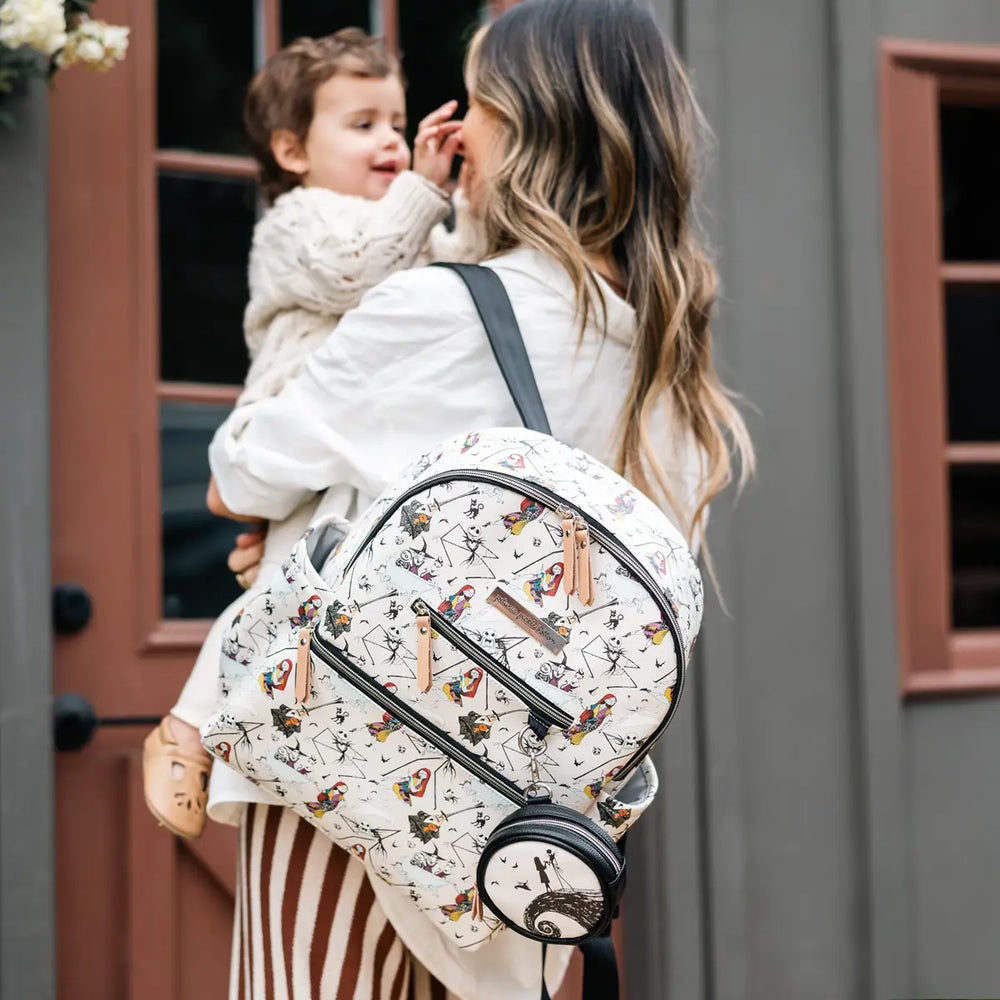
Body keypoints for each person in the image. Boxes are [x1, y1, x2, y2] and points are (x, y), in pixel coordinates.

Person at [207, 1, 753, 998]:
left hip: (351, 786)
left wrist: (290, 522)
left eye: (481, 104)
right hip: (529, 840)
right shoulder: (671, 365)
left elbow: (238, 470)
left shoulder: (439, 309)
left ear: (524, 134)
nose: (462, 132)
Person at [142, 28, 485, 845]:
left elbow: (468, 273)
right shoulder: (298, 221)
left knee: (313, 592)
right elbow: (352, 271)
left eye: (396, 122)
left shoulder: (410, 221)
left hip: (353, 450)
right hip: (292, 431)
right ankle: (191, 728)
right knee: (287, 592)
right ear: (293, 151)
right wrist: (423, 194)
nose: (390, 141)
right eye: (362, 124)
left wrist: (466, 196)